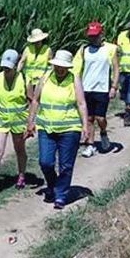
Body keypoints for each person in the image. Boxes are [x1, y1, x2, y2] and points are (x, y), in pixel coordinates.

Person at [25, 50, 89, 210]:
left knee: (65, 165)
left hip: (69, 128)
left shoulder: (74, 79)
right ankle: (53, 185)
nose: (60, 69)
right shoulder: (46, 78)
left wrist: (85, 126)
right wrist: (30, 122)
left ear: (68, 67)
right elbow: (35, 101)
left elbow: (81, 104)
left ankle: (60, 195)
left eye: (63, 67)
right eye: (57, 66)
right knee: (45, 162)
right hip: (46, 127)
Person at [0, 49, 30, 197]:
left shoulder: (24, 79)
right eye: (4, 67)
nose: (6, 70)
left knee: (19, 148)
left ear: (16, 66)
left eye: (9, 67)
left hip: (18, 120)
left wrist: (30, 122)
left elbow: (30, 100)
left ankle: (21, 175)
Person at [73, 21, 119, 156]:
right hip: (86, 88)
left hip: (102, 88)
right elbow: (76, 69)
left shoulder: (111, 49)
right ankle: (90, 144)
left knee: (100, 118)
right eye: (90, 36)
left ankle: (103, 133)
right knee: (89, 118)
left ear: (101, 34)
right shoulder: (83, 50)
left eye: (95, 35)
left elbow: (116, 69)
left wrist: (114, 87)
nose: (92, 38)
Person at [17, 28, 53, 93]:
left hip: (41, 79)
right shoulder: (28, 49)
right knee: (28, 97)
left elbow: (51, 65)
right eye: (35, 41)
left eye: (39, 40)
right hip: (28, 78)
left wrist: (47, 76)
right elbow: (22, 62)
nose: (37, 42)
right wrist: (17, 74)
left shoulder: (48, 50)